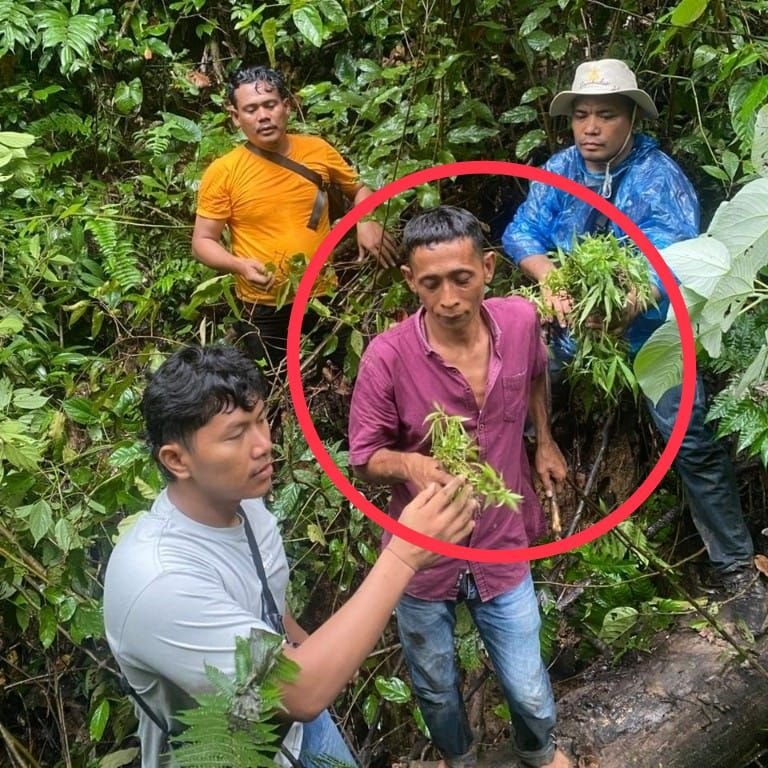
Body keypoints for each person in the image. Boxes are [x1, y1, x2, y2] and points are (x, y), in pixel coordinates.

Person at [102, 344, 477, 768]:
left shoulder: (247, 507)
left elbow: (270, 615)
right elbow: (299, 693)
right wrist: (405, 554)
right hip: (229, 754)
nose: (264, 444)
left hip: (294, 734)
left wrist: (314, 648)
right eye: (236, 434)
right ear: (176, 459)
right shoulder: (158, 580)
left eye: (261, 421)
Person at [501, 58, 768, 634]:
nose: (591, 127)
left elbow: (667, 263)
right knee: (517, 373)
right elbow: (521, 230)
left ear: (630, 120)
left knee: (689, 433)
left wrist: (618, 308)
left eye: (606, 115)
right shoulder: (559, 169)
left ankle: (737, 570)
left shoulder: (658, 178)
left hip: (653, 330)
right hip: (575, 323)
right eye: (582, 115)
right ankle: (517, 517)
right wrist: (550, 279)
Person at [348, 206, 571, 768]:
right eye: (431, 283)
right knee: (435, 685)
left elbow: (537, 372)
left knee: (528, 685)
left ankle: (538, 749)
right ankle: (459, 759)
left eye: (461, 278)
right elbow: (365, 456)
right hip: (422, 557)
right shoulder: (388, 356)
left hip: (503, 540)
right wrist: (413, 466)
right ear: (410, 282)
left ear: (488, 269)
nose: (448, 297)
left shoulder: (519, 321)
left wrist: (543, 440)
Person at [191, 65, 397, 369]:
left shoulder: (317, 150)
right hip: (262, 305)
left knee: (347, 374)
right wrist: (238, 265)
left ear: (286, 107)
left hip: (324, 296)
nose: (263, 116)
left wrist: (365, 219)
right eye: (251, 109)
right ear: (235, 117)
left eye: (270, 105)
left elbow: (359, 190)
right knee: (271, 385)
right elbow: (202, 241)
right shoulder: (223, 172)